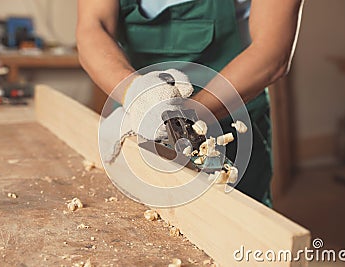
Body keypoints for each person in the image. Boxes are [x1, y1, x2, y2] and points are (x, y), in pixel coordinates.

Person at [77, 0, 305, 207]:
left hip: (230, 126)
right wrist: (137, 94)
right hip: (138, 125)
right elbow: (93, 27)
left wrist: (180, 120)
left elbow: (271, 52)